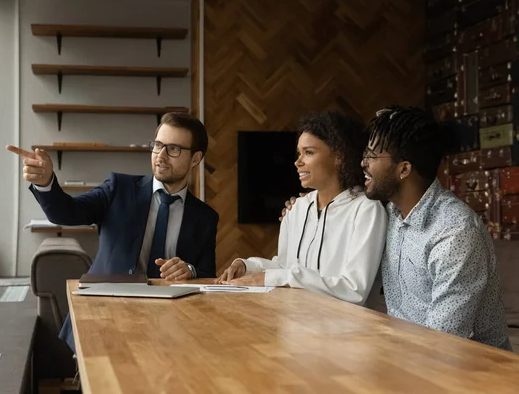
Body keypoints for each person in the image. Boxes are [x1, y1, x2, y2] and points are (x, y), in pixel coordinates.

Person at [7, 112, 218, 352]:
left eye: (173, 149)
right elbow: (68, 213)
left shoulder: (205, 217)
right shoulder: (119, 187)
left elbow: (207, 275)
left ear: (195, 158)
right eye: (157, 145)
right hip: (105, 315)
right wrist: (46, 183)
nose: (160, 156)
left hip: (169, 326)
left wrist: (189, 270)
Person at [361, 105, 511, 350]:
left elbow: (442, 340)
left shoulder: (455, 232)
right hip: (410, 361)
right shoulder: (389, 215)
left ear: (404, 169)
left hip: (474, 375)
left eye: (371, 156)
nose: (363, 162)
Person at [216, 111, 387, 306]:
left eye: (309, 152)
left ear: (339, 155)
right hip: (296, 324)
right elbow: (284, 266)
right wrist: (248, 266)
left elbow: (354, 290)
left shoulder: (367, 210)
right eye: (299, 153)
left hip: (345, 331)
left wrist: (274, 278)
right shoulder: (297, 208)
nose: (298, 162)